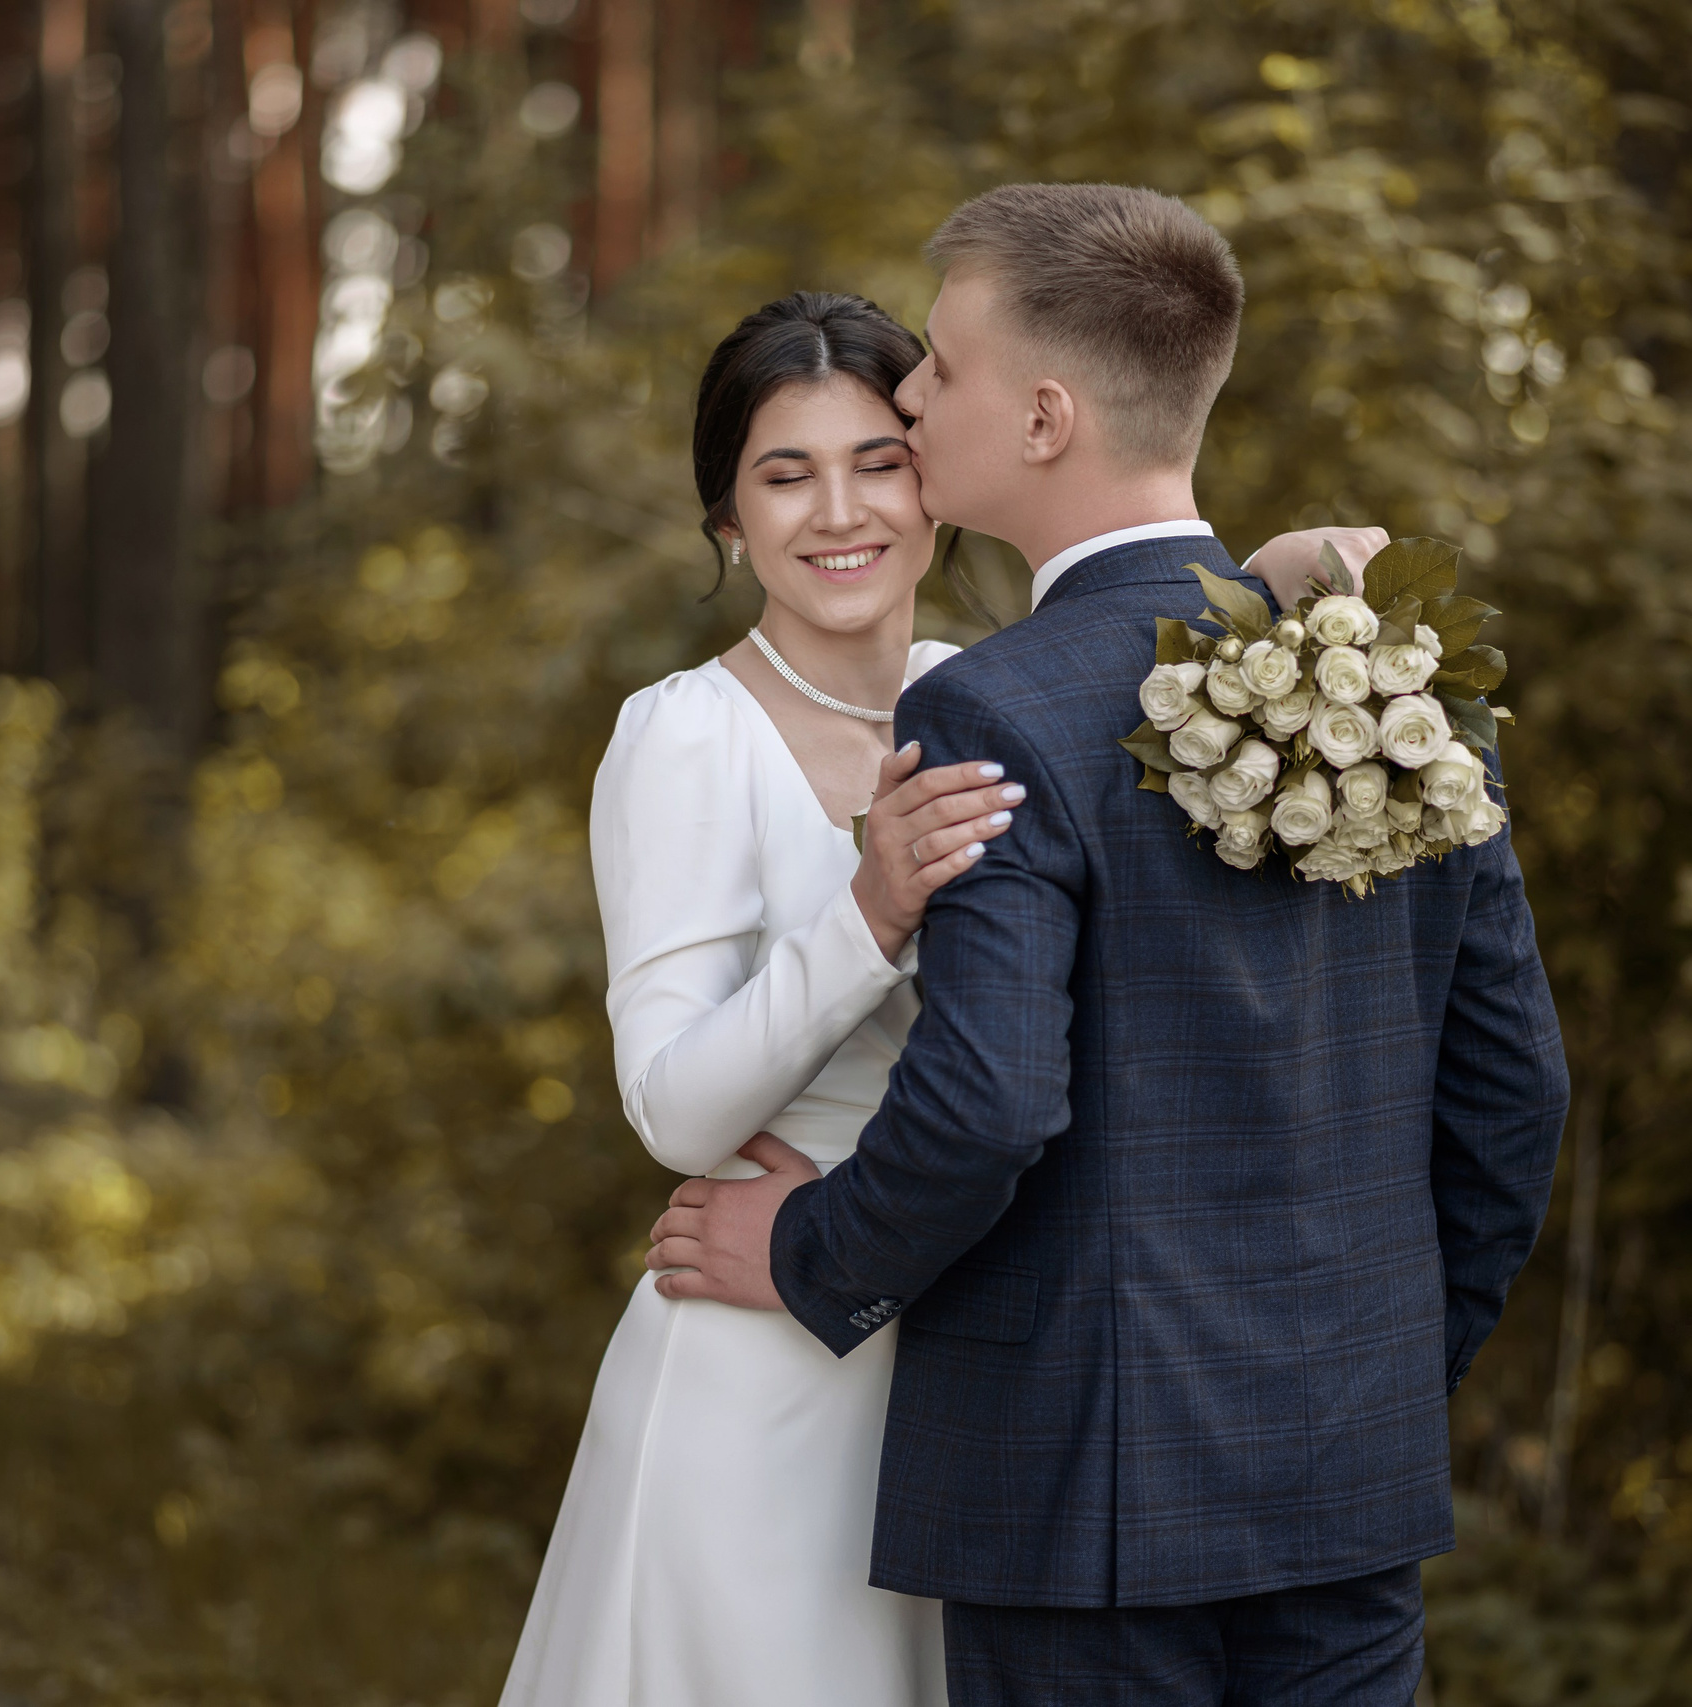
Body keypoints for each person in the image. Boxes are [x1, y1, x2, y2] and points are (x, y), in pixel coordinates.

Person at [645, 186, 1571, 1705]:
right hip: (1347, 1483)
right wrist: (1383, 1368)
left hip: (1086, 1510)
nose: (913, 394)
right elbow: (1514, 1092)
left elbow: (992, 1103)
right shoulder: (1386, 672)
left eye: (940, 367)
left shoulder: (990, 708)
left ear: (1046, 416)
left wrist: (807, 1251)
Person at [498, 287, 1384, 1707]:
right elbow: (671, 1109)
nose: (837, 512)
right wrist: (868, 911)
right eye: (783, 476)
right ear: (728, 519)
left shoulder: (982, 689)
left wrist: (1264, 593)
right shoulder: (684, 736)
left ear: (939, 482)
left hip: (986, 1362)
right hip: (768, 1360)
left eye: (877, 462)